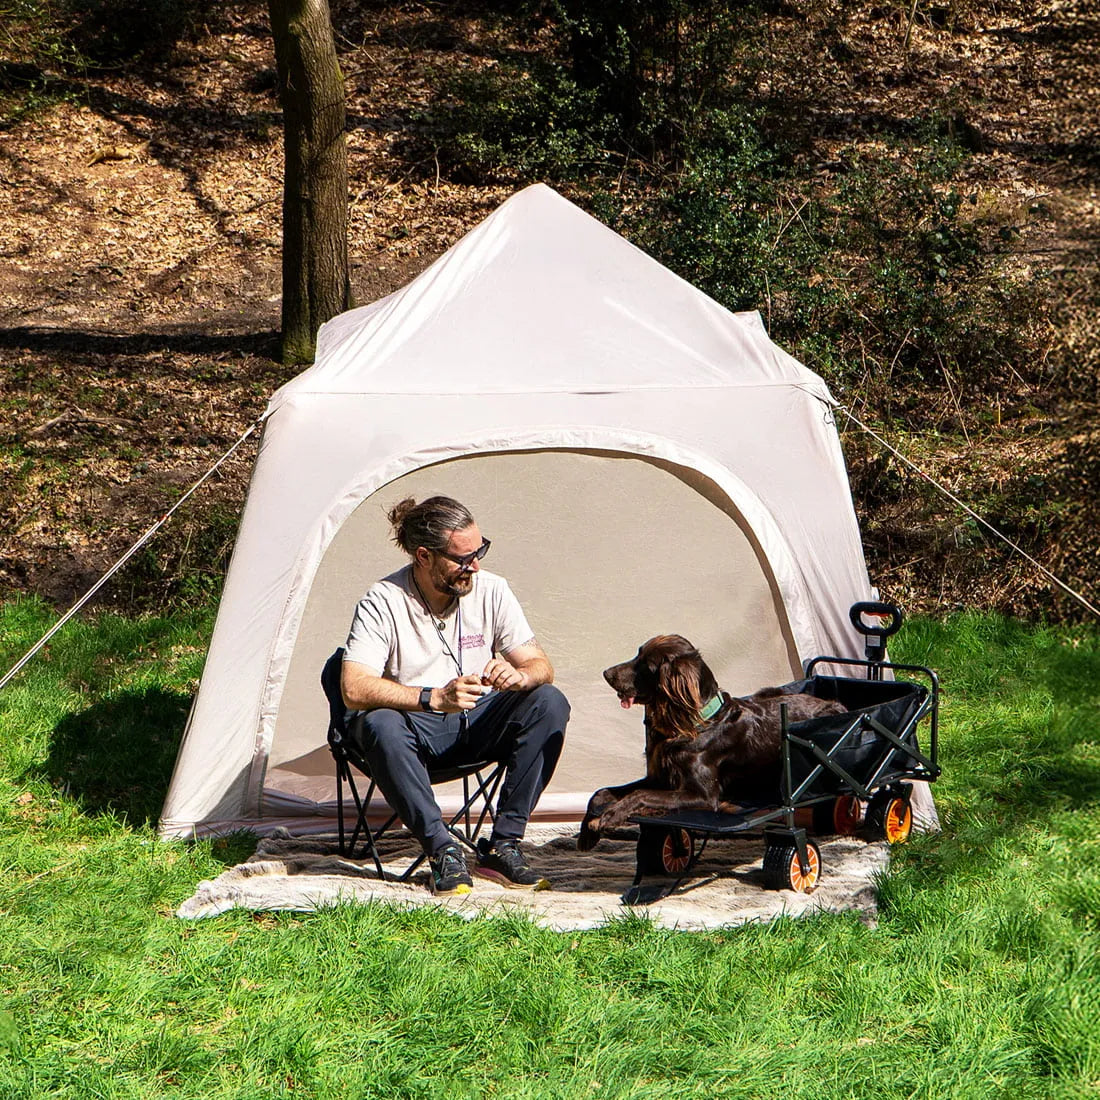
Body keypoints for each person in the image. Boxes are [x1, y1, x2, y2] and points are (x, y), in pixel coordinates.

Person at [341, 495, 570, 896]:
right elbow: (353, 687)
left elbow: (541, 665)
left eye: (479, 551)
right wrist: (433, 698)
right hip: (416, 731)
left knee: (549, 700)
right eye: (463, 558)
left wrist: (519, 675)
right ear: (424, 556)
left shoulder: (492, 589)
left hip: (479, 721)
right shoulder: (383, 600)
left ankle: (503, 845)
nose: (475, 566)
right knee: (378, 721)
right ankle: (442, 849)